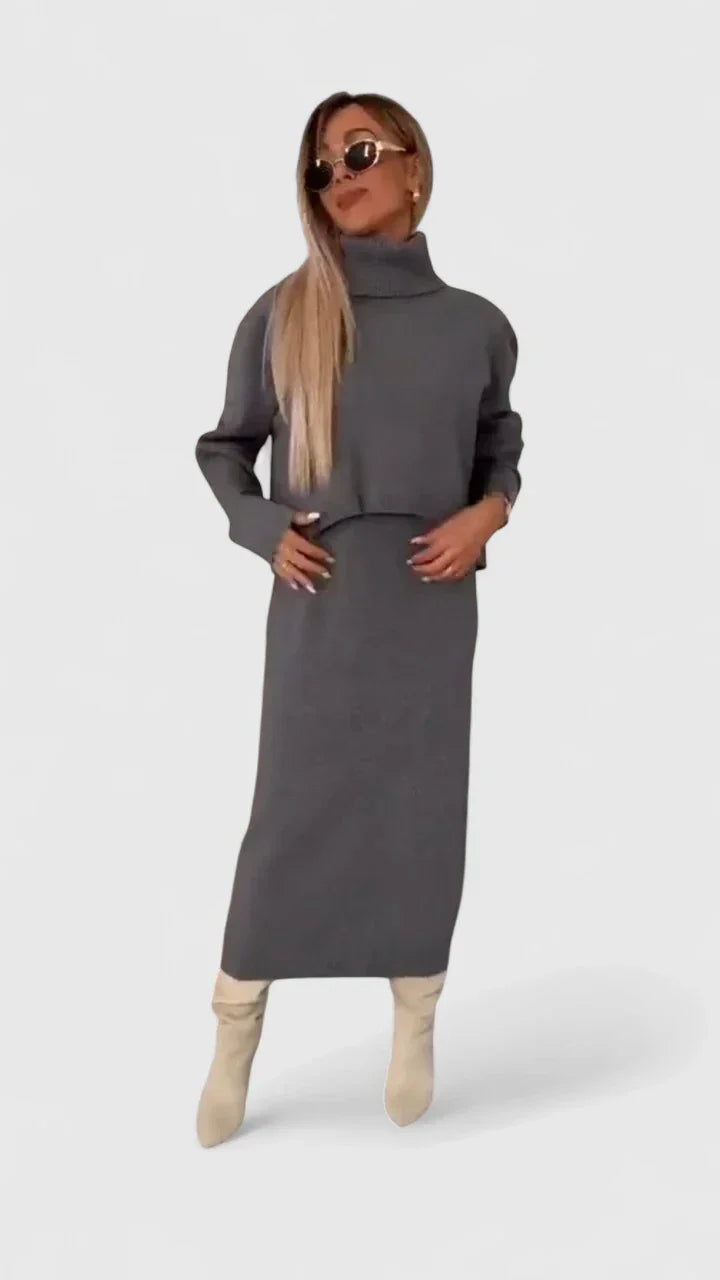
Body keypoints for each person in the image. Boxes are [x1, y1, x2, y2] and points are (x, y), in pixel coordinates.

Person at [194, 90, 523, 1145]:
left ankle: (414, 1020)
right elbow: (224, 448)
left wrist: (488, 514)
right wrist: (260, 527)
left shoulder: (478, 326)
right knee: (289, 815)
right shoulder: (285, 313)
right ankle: (235, 1031)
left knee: (422, 812)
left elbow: (500, 446)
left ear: (414, 165)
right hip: (322, 598)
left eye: (360, 152)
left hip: (431, 603)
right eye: (322, 167)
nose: (339, 176)